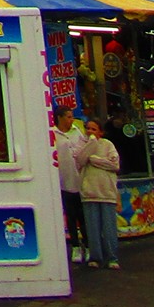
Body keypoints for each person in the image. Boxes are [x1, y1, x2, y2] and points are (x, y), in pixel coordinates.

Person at [78, 118, 122, 269]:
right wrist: (91, 145)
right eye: (88, 128)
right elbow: (80, 161)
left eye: (94, 129)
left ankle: (112, 257)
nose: (90, 131)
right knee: (92, 228)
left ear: (101, 132)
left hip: (107, 192)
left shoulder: (108, 144)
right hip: (89, 192)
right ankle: (95, 257)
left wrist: (94, 159)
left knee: (109, 228)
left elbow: (114, 165)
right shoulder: (83, 145)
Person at [52, 106, 90, 263]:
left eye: (72, 116)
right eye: (68, 117)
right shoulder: (53, 134)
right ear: (59, 118)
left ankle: (88, 245)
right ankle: (75, 246)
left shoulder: (76, 132)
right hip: (64, 182)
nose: (71, 119)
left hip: (80, 180)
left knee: (83, 216)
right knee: (71, 216)